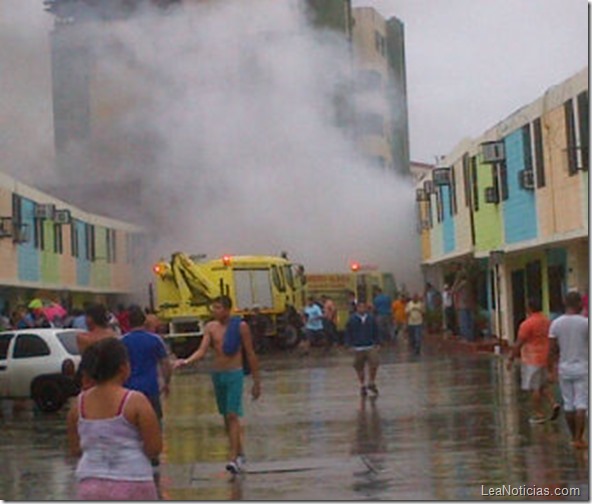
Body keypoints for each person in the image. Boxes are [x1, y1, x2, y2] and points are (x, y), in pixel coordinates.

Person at [174, 296, 260, 474]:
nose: (215, 311)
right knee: (226, 418)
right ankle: (240, 453)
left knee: (232, 415)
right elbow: (202, 350)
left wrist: (256, 382)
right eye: (214, 308)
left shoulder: (240, 327)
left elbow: (250, 354)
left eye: (219, 308)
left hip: (234, 374)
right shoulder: (211, 328)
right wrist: (186, 361)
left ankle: (233, 458)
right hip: (218, 375)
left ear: (228, 309)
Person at [67, 338, 162, 501]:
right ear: (123, 368)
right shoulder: (136, 401)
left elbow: (75, 450)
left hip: (90, 484)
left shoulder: (78, 405)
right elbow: (154, 448)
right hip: (134, 481)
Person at [507, 297, 559, 424]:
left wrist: (511, 358)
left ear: (529, 308)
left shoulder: (527, 324)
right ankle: (554, 403)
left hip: (532, 358)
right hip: (546, 357)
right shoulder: (547, 321)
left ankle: (538, 413)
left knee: (534, 388)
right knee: (543, 386)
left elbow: (519, 343)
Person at [549, 292, 589, 448]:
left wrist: (551, 369)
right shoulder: (585, 323)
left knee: (568, 404)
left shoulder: (556, 324)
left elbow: (552, 349)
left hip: (564, 368)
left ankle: (573, 437)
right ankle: (580, 438)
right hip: (583, 368)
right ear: (579, 303)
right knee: (581, 403)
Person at [121, 306, 172, 423]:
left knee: (131, 425)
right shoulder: (155, 340)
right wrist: (167, 383)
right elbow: (166, 365)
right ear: (144, 322)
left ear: (129, 322)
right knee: (154, 423)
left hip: (129, 390)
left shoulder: (122, 341)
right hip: (151, 389)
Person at [76, 304, 120, 390]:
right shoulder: (114, 335)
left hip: (91, 380)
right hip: (111, 377)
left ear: (90, 319)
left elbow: (85, 360)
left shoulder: (83, 338)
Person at [345, 301, 380, 397]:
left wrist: (377, 342)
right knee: (359, 367)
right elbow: (348, 332)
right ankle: (362, 385)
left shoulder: (371, 319)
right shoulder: (352, 320)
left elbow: (376, 330)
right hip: (358, 347)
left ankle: (371, 382)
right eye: (360, 307)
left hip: (370, 345)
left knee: (374, 363)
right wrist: (348, 345)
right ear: (356, 308)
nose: (362, 309)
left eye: (363, 307)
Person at [452, 271, 475, 341]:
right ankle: (470, 336)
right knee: (469, 322)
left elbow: (453, 290)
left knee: (464, 322)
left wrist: (456, 281)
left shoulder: (463, 284)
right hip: (468, 304)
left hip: (463, 305)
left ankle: (466, 337)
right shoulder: (468, 283)